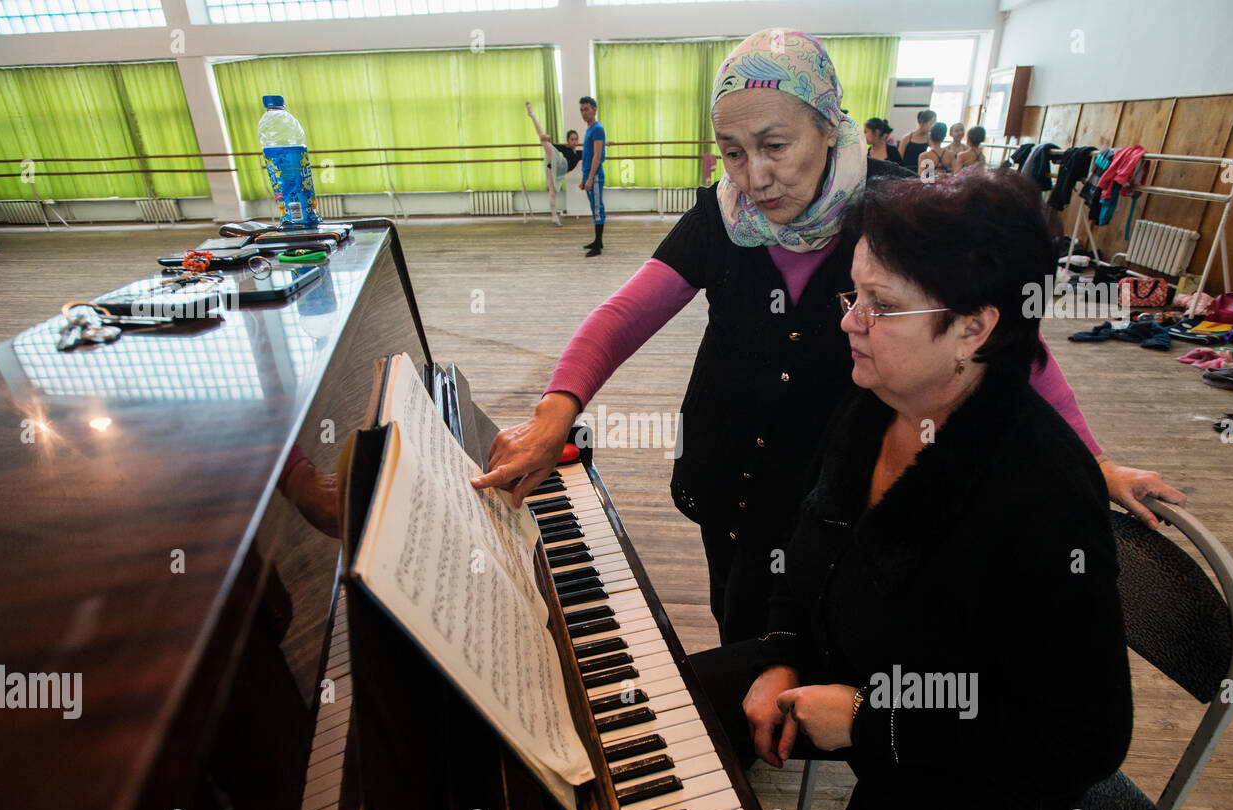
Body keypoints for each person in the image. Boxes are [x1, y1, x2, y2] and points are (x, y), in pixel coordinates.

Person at [472, 28, 1184, 647]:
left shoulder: (899, 212)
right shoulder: (722, 214)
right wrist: (556, 409)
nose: (754, 177)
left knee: (806, 614)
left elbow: (1007, 344)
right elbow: (626, 312)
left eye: (774, 145)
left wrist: (1093, 462)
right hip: (725, 460)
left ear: (828, 126)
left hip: (827, 478)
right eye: (732, 152)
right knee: (733, 603)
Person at [690, 169, 1134, 810]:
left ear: (974, 328)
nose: (848, 321)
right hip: (866, 680)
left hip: (985, 777)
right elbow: (807, 551)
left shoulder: (1040, 491)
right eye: (854, 293)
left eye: (880, 305)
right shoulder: (877, 400)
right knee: (658, 719)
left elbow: (1084, 739)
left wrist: (872, 725)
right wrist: (780, 652)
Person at [526, 101, 581, 226]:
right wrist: (548, 140)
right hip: (557, 164)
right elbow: (554, 146)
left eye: (576, 139)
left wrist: (604, 144)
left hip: (559, 171)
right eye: (572, 139)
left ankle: (554, 217)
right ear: (568, 140)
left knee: (553, 192)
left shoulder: (579, 154)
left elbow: (592, 149)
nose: (574, 141)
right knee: (545, 142)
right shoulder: (565, 149)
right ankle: (532, 115)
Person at [578, 96, 606, 257]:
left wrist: (589, 178)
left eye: (586, 109)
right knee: (595, 207)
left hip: (594, 176)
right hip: (589, 175)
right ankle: (598, 241)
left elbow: (596, 156)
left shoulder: (597, 129)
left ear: (594, 109)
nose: (584, 113)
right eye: (581, 110)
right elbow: (588, 156)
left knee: (597, 209)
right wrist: (584, 178)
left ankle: (598, 246)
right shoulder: (590, 128)